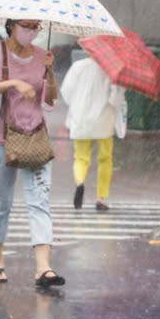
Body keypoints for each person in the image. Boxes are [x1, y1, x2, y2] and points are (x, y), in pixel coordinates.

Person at [0, 19, 64, 288]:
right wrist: (13, 82)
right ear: (12, 25)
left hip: (34, 136)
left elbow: (49, 99)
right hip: (0, 138)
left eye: (37, 27)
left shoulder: (41, 55)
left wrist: (49, 70)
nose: (33, 31)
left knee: (39, 200)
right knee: (0, 201)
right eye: (27, 25)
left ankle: (43, 268)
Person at [61, 55, 127, 211]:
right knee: (105, 159)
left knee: (81, 158)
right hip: (104, 120)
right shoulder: (112, 70)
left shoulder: (78, 66)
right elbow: (115, 99)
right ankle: (101, 198)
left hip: (81, 119)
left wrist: (78, 105)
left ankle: (80, 182)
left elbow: (66, 91)